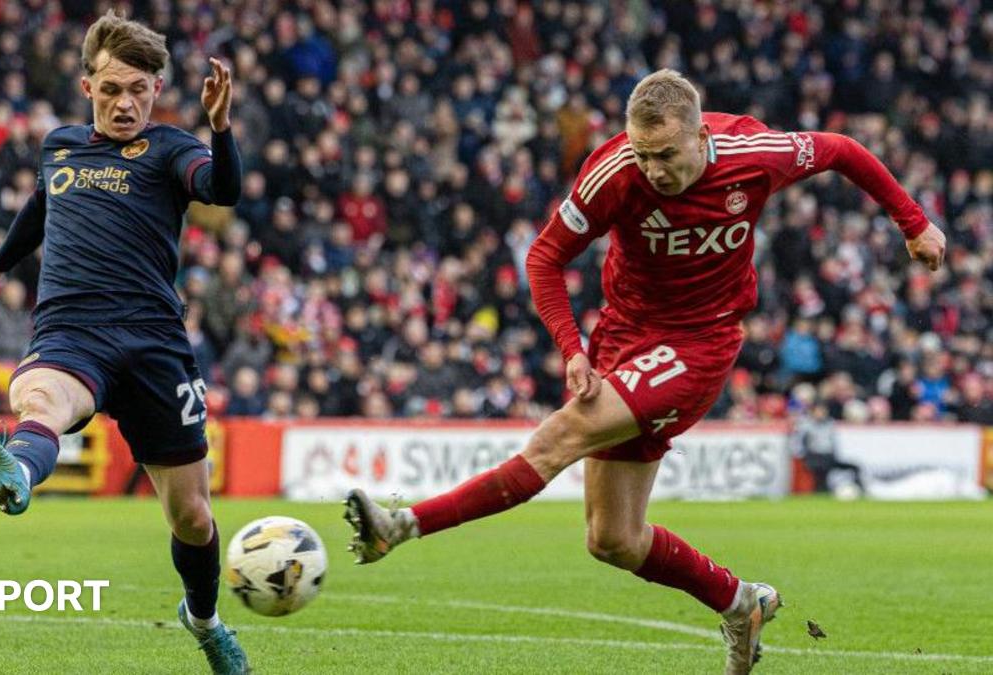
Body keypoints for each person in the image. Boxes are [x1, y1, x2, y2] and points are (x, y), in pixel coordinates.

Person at [344, 69, 946, 675]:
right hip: (623, 339)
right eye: (642, 152)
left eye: (665, 154)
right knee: (612, 540)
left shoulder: (753, 154)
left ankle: (400, 526)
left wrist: (913, 222)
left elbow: (842, 150)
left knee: (559, 438)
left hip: (701, 342)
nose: (654, 169)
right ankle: (742, 602)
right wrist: (573, 349)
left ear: (700, 138)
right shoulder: (614, 172)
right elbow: (544, 256)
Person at [0, 12, 248, 674]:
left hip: (152, 342)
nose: (126, 103)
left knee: (194, 518)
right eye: (113, 88)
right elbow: (40, 209)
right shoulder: (59, 147)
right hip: (71, 327)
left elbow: (222, 190)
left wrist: (221, 128)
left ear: (157, 89)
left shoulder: (173, 149)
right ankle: (18, 472)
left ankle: (202, 620)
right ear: (88, 85)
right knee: (40, 397)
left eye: (140, 89)